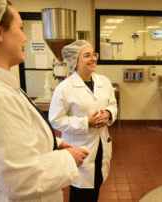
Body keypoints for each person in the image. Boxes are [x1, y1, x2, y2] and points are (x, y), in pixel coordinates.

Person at [0, 0, 89, 201]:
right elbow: (21, 179)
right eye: (20, 28)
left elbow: (13, 140)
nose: (25, 37)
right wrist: (69, 159)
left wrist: (54, 143)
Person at [48, 40, 118, 202]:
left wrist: (108, 114)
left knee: (96, 185)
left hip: (101, 145)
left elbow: (113, 105)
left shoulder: (104, 82)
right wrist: (86, 122)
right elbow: (56, 120)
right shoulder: (64, 88)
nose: (93, 58)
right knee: (81, 192)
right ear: (74, 61)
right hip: (80, 148)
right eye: (87, 55)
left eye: (94, 54)